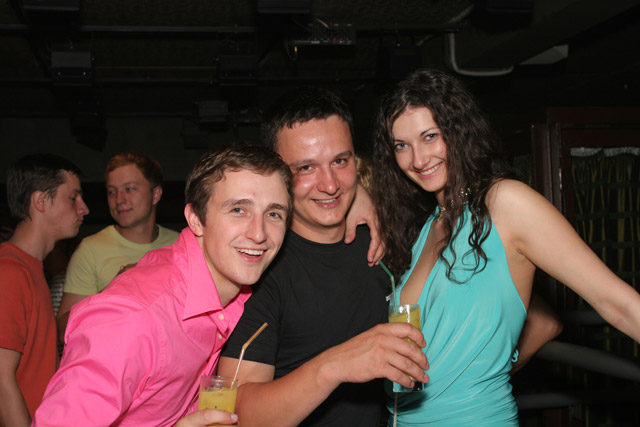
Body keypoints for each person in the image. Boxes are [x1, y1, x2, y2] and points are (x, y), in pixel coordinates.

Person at [371, 68, 640, 426]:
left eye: (430, 136)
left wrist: (483, 382)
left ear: (458, 131)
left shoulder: (505, 202)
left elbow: (620, 305)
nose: (418, 160)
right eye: (401, 146)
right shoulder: (432, 224)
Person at [33, 145, 294, 426]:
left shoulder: (226, 294)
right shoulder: (131, 318)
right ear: (196, 219)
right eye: (238, 210)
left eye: (274, 214)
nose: (259, 234)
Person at [217, 87, 429, 427]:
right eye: (306, 167)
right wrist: (335, 365)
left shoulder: (386, 238)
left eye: (340, 161)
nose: (330, 185)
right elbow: (236, 413)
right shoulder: (259, 268)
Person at [0, 154, 89, 426]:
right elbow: (1, 378)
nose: (84, 208)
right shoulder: (9, 272)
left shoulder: (31, 269)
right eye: (73, 197)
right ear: (40, 201)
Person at [56, 152, 179, 339]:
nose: (119, 199)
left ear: (155, 194)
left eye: (129, 189)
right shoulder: (90, 249)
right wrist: (114, 290)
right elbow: (63, 329)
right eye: (112, 191)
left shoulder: (181, 245)